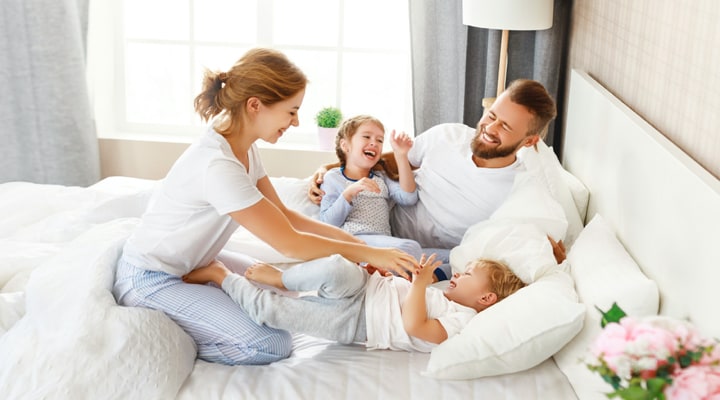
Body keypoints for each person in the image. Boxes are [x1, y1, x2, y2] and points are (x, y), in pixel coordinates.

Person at [112, 48, 418, 366]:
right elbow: (289, 242)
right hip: (152, 278)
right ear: (255, 105)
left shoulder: (241, 144)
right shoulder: (217, 164)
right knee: (271, 345)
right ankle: (188, 333)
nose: (297, 121)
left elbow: (285, 217)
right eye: (291, 111)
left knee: (285, 292)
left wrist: (354, 244)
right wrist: (372, 254)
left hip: (191, 263)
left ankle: (211, 293)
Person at [309, 79, 557, 280]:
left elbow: (538, 246)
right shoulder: (447, 135)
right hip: (380, 228)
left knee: (462, 261)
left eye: (505, 127)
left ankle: (420, 274)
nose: (490, 129)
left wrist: (551, 252)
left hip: (428, 254)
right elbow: (394, 160)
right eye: (491, 116)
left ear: (529, 141)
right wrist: (332, 169)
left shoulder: (521, 189)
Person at [182, 254, 526, 353]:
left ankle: (221, 275)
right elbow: (405, 297)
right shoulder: (445, 295)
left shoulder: (465, 324)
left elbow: (414, 326)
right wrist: (401, 279)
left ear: (486, 299)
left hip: (357, 325)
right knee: (335, 266)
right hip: (367, 287)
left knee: (272, 313)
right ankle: (281, 277)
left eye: (468, 275)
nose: (459, 274)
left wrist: (420, 285)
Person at [319, 115, 423, 260]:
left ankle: (425, 277)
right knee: (410, 248)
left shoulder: (381, 177)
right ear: (345, 146)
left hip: (383, 243)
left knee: (449, 257)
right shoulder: (333, 177)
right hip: (354, 241)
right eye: (367, 137)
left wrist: (401, 155)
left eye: (380, 140)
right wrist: (348, 194)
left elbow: (409, 197)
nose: (374, 143)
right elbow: (326, 223)